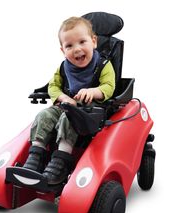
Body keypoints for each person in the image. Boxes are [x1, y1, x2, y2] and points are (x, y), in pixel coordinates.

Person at [23, 16, 115, 185]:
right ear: (62, 50)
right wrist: (62, 97)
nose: (77, 49)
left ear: (94, 42)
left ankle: (61, 161)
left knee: (69, 118)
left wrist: (93, 91)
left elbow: (109, 87)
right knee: (43, 115)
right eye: (69, 46)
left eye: (82, 42)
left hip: (90, 112)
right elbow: (53, 86)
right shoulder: (63, 67)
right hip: (66, 105)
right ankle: (36, 155)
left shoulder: (103, 64)